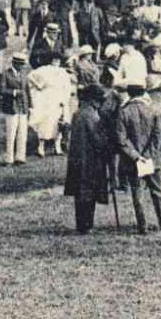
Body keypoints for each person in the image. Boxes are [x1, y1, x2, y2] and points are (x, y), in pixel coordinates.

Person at [115, 77, 161, 234]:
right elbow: (158, 135)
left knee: (137, 193)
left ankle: (142, 225)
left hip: (133, 161)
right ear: (143, 93)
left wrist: (137, 156)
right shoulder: (154, 110)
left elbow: (121, 139)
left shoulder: (124, 112)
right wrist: (149, 155)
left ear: (130, 95)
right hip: (152, 159)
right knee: (157, 191)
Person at [63, 84, 111, 233]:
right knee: (89, 194)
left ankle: (81, 225)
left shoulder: (78, 113)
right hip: (90, 161)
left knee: (80, 194)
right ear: (93, 101)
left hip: (77, 159)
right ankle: (86, 226)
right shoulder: (91, 115)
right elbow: (98, 140)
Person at [0, 52, 31, 165]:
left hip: (23, 106)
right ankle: (9, 158)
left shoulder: (24, 74)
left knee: (22, 133)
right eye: (20, 64)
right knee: (11, 133)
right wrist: (14, 92)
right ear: (14, 63)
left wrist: (30, 106)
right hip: (11, 106)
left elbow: (27, 90)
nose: (22, 66)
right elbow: (2, 90)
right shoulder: (5, 74)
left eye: (23, 64)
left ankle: (20, 157)